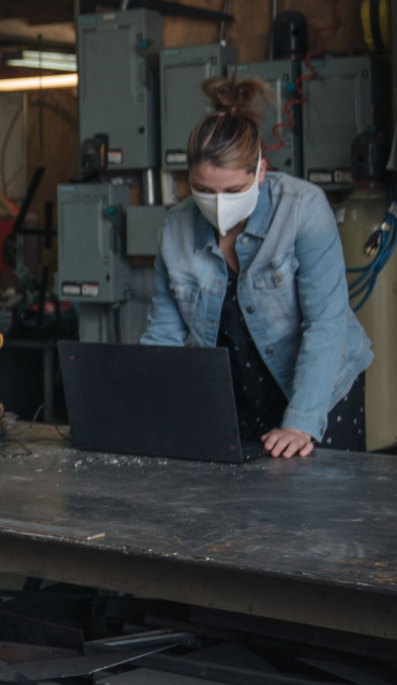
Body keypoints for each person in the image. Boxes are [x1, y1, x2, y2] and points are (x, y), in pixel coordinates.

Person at [141, 76, 372, 457]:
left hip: (321, 389)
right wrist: (143, 411)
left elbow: (326, 322)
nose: (218, 204)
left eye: (233, 191)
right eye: (203, 190)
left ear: (260, 172)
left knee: (320, 504)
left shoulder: (302, 209)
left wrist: (300, 421)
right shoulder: (176, 228)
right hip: (241, 390)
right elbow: (163, 338)